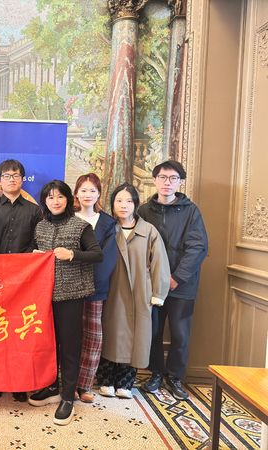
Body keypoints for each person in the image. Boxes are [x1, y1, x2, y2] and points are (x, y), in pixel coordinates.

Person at [28, 180, 103, 425]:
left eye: (60, 196)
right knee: (48, 345)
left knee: (69, 347)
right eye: (50, 197)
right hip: (43, 296)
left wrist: (72, 254)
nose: (55, 201)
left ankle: (68, 397)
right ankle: (52, 388)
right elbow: (31, 251)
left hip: (71, 295)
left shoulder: (80, 226)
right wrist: (33, 255)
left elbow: (97, 254)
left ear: (69, 200)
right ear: (45, 201)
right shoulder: (40, 226)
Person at [140, 161, 208, 400]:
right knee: (153, 332)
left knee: (180, 334)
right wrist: (155, 278)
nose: (167, 182)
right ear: (154, 180)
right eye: (162, 177)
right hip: (152, 284)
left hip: (183, 285)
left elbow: (198, 247)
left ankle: (175, 377)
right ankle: (155, 373)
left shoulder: (191, 211)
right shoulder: (144, 211)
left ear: (180, 182)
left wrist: (176, 277)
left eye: (173, 178)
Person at [97, 183, 170, 399]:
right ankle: (106, 380)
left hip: (140, 291)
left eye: (129, 201)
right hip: (110, 290)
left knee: (136, 336)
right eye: (119, 200)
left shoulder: (149, 231)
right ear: (112, 204)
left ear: (136, 204)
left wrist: (158, 293)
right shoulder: (107, 229)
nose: (124, 205)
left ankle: (125, 382)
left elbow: (159, 263)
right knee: (109, 333)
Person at [0, 159, 43, 402]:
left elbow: (35, 241)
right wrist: (0, 266)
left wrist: (18, 265)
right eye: (6, 176)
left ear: (22, 180)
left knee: (19, 332)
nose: (11, 179)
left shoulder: (34, 211)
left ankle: (19, 383)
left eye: (16, 175)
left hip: (24, 279)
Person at [73, 173, 118, 403]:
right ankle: (69, 382)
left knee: (93, 336)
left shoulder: (108, 223)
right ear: (76, 193)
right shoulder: (67, 219)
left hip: (95, 288)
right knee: (70, 337)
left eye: (92, 190)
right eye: (83, 190)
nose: (88, 195)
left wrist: (91, 285)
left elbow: (107, 259)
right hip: (67, 288)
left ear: (99, 194)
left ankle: (85, 385)